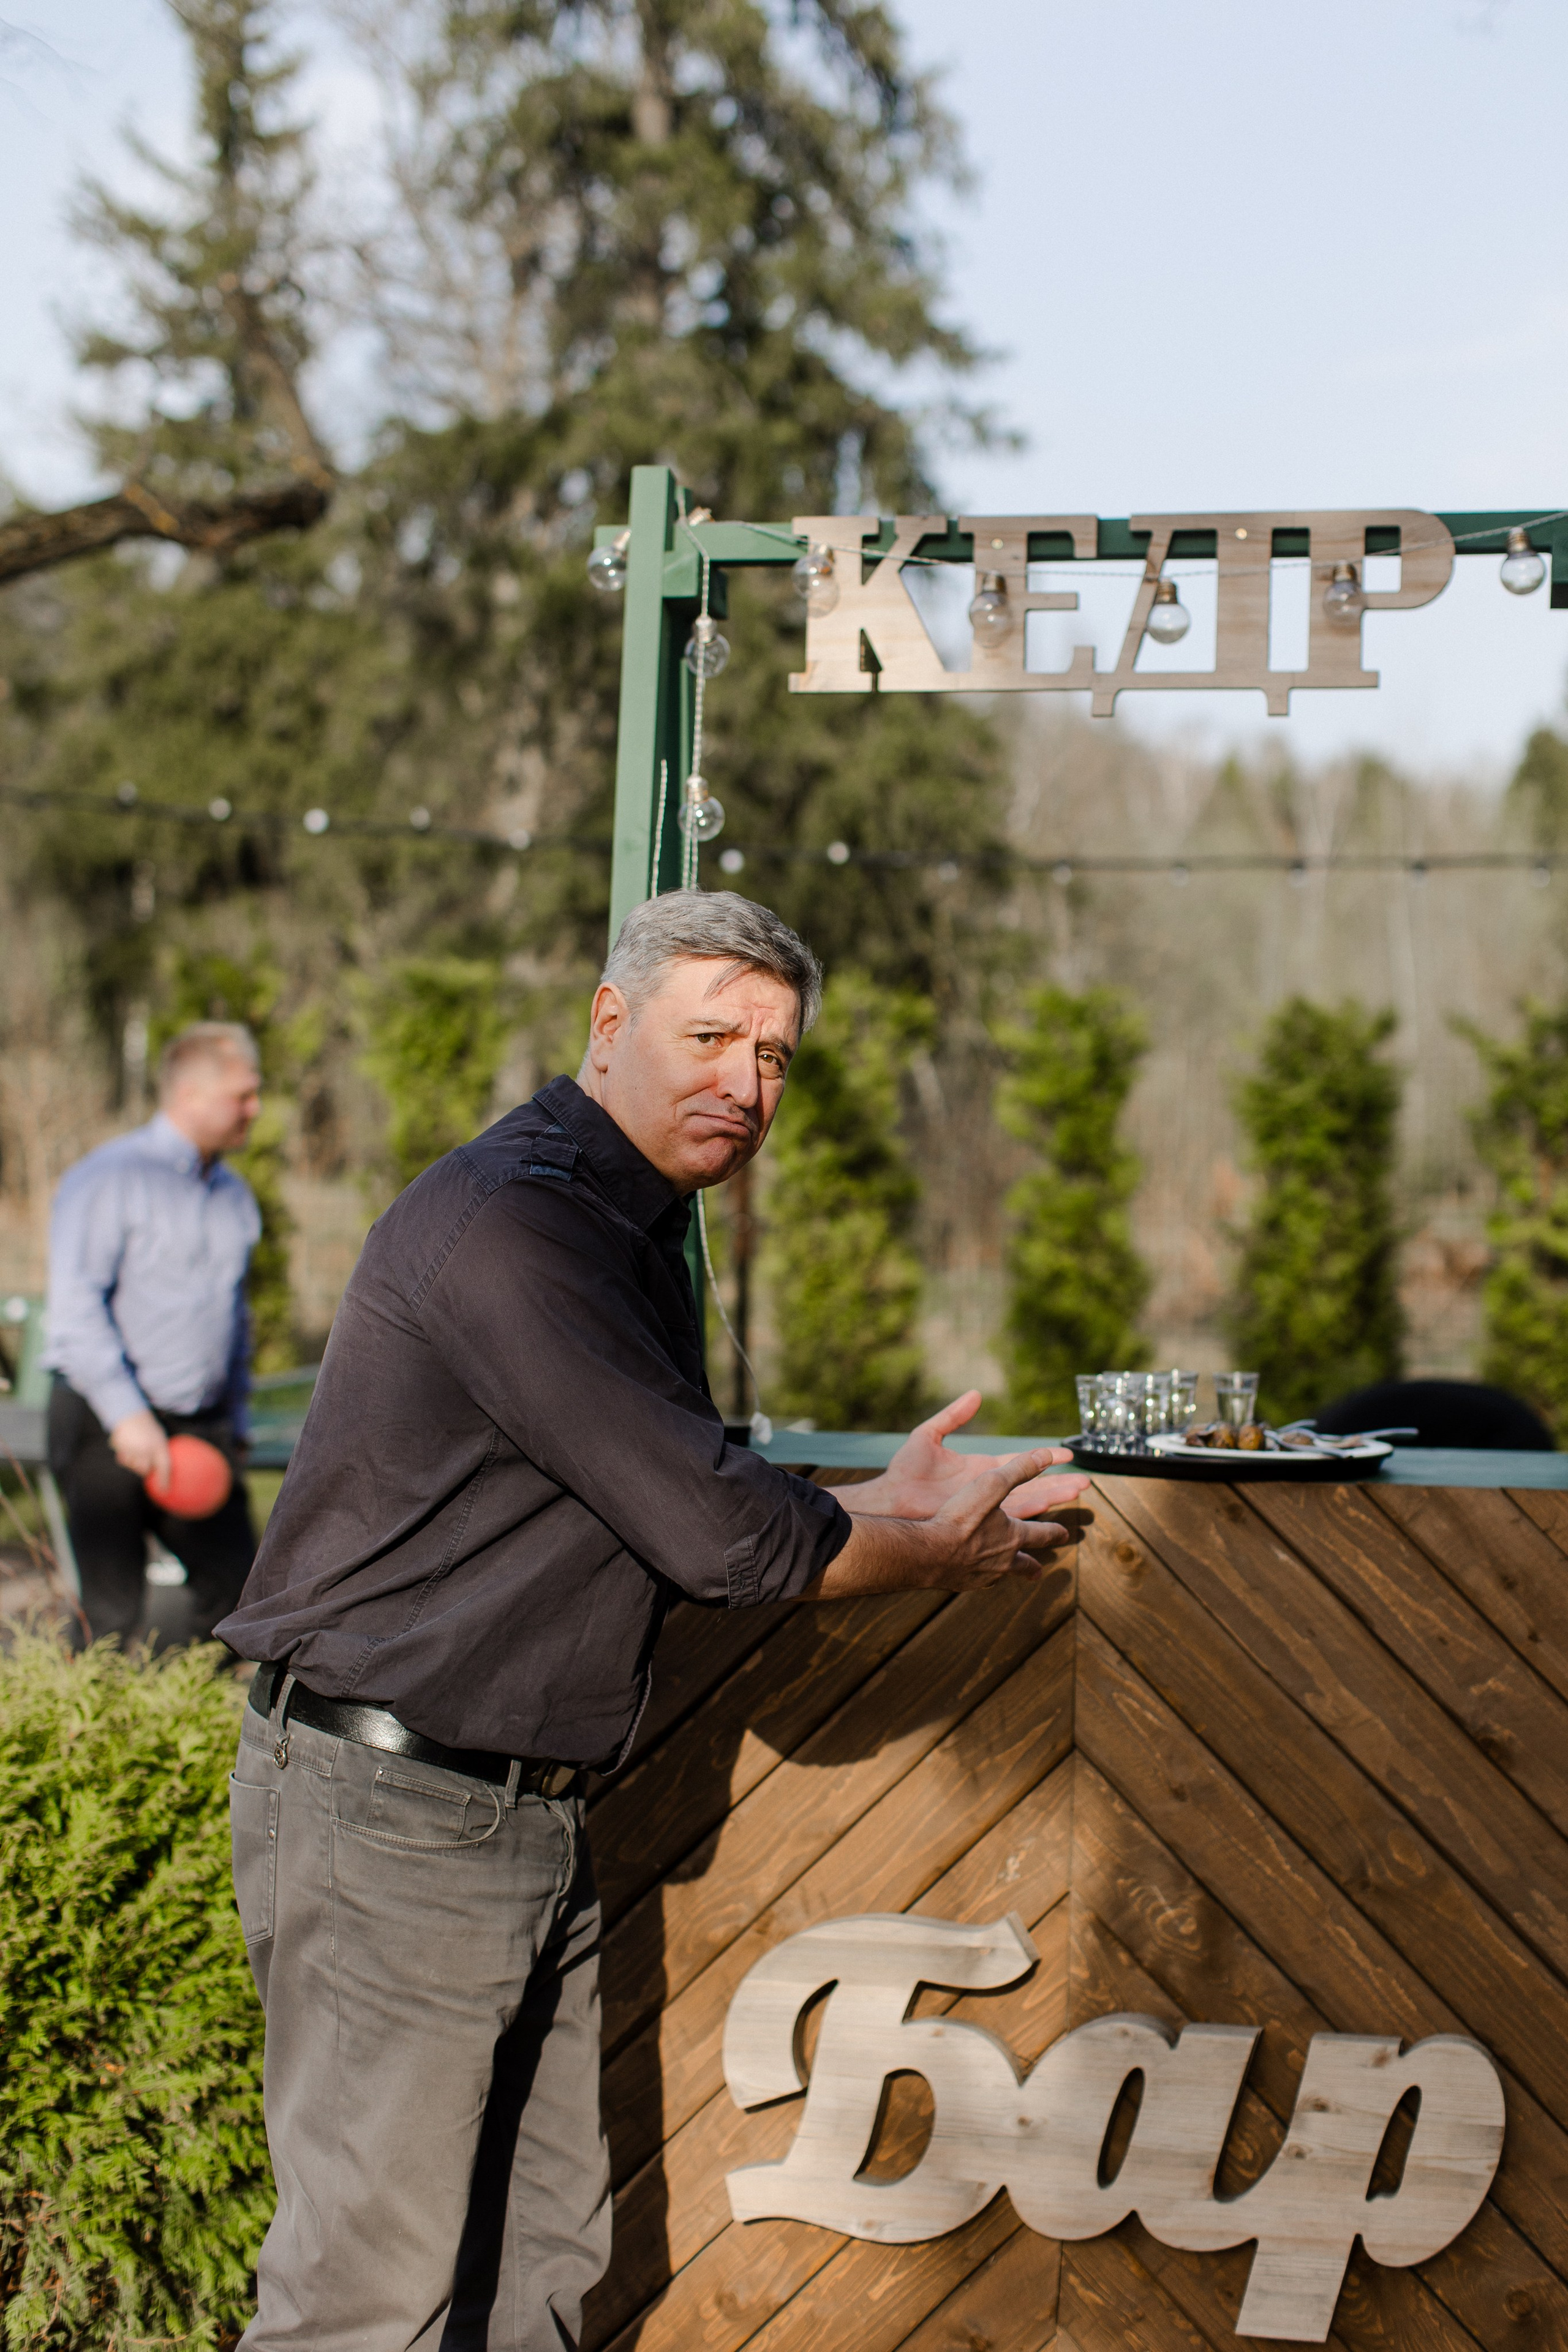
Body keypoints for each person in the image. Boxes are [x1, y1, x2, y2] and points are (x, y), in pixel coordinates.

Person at [216, 891, 1087, 2352]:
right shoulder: (520, 1228)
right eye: (709, 1037)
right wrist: (923, 1546)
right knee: (365, 2308)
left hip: (512, 1817)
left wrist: (875, 1495)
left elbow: (635, 1491)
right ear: (607, 1024)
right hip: (390, 1812)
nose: (745, 1084)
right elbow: (722, 1534)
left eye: (775, 1056)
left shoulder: (626, 1220)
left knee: (542, 2268)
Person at [44, 1020, 263, 1645]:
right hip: (104, 1417)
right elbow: (76, 1309)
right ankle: (91, 1736)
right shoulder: (109, 1178)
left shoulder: (235, 1198)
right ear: (191, 1094)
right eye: (243, 1095)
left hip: (198, 1424)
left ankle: (194, 1727)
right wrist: (127, 1415)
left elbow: (234, 1322)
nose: (256, 1108)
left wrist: (238, 1424)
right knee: (111, 1611)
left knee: (234, 1595)